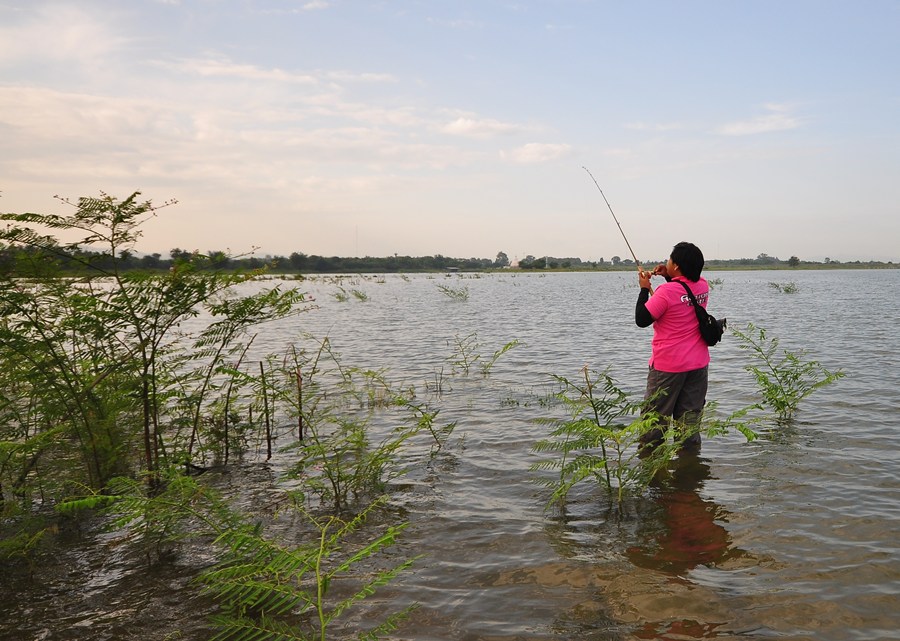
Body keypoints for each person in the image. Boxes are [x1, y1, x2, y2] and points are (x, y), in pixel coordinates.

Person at [634, 241, 710, 452]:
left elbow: (642, 319)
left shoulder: (666, 292)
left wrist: (643, 289)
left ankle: (652, 471)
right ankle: (689, 472)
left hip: (668, 368)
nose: (666, 262)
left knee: (654, 426)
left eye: (669, 260)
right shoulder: (703, 286)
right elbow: (683, 290)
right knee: (689, 425)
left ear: (676, 266)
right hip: (698, 366)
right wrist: (667, 274)